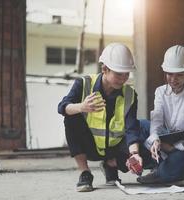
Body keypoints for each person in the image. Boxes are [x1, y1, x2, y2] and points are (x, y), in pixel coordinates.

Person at [58, 43, 153, 192]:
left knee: (147, 154)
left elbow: (131, 128)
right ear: (104, 69)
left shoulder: (130, 94)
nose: (123, 79)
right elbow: (62, 107)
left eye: (126, 74)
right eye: (118, 74)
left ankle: (111, 164)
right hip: (90, 147)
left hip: (114, 147)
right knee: (71, 117)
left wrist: (134, 154)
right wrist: (81, 107)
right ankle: (85, 173)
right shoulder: (83, 84)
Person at [137, 45, 184, 184]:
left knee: (168, 171)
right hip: (165, 140)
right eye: (169, 74)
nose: (173, 79)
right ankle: (162, 166)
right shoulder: (160, 92)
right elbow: (156, 121)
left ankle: (164, 170)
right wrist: (155, 140)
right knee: (141, 124)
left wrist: (174, 147)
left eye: (179, 75)